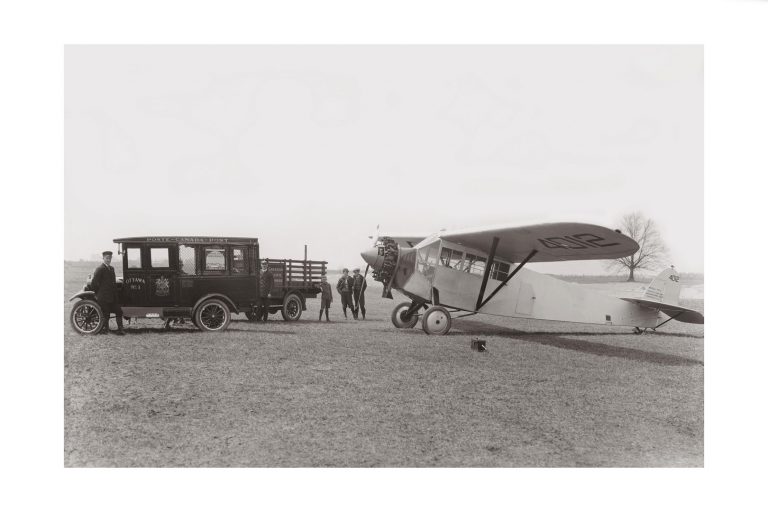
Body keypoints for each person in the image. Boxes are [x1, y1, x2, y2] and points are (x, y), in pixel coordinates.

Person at [90, 250, 125, 335]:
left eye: (110, 258)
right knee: (106, 314)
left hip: (112, 297)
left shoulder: (111, 269)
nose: (108, 260)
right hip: (103, 297)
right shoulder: (100, 269)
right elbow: (94, 283)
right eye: (107, 258)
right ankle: (105, 330)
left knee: (119, 311)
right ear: (103, 258)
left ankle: (120, 329)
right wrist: (98, 293)